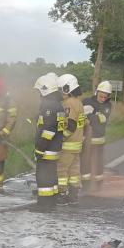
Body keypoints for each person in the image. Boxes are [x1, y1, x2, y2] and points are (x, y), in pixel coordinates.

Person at [32, 72, 64, 210]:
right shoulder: (57, 105)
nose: (38, 94)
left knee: (43, 176)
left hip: (47, 149)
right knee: (51, 175)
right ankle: (51, 202)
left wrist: (39, 149)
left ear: (45, 90)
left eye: (39, 91)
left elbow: (48, 131)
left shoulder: (49, 106)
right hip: (55, 148)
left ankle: (43, 205)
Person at [56, 73, 85, 204]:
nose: (60, 94)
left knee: (62, 169)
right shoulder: (78, 102)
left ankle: (62, 193)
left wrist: (61, 138)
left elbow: (71, 125)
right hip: (77, 145)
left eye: (61, 90)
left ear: (67, 89)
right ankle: (73, 194)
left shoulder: (68, 103)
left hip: (68, 145)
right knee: (74, 171)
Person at [81, 80, 113, 189]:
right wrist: (93, 115)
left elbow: (103, 119)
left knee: (98, 162)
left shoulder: (108, 105)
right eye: (101, 96)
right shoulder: (86, 101)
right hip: (86, 139)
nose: (103, 99)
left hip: (99, 139)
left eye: (105, 97)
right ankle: (86, 184)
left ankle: (98, 184)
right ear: (96, 92)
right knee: (85, 162)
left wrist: (90, 115)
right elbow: (81, 117)